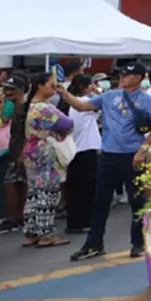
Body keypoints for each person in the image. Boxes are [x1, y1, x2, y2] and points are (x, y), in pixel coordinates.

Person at [60, 62, 151, 261]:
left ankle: (138, 242)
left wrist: (142, 150)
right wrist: (64, 94)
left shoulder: (146, 100)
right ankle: (94, 244)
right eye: (122, 74)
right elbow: (82, 106)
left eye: (128, 74)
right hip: (108, 155)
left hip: (132, 155)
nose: (122, 77)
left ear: (139, 78)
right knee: (100, 201)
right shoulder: (108, 96)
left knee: (136, 201)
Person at [21, 73, 75, 248]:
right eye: (51, 85)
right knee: (48, 192)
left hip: (32, 151)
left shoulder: (32, 106)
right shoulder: (44, 108)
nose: (54, 88)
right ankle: (46, 234)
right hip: (45, 151)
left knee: (34, 192)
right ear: (39, 86)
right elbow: (68, 124)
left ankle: (32, 232)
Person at [63, 75, 100, 236]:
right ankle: (85, 221)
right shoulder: (85, 103)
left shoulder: (72, 106)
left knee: (75, 189)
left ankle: (74, 222)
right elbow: (101, 102)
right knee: (88, 189)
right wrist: (96, 91)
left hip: (75, 150)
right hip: (87, 149)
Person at [0, 75, 27, 234]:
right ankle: (18, 217)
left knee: (13, 184)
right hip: (14, 150)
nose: (7, 92)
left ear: (21, 90)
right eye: (6, 89)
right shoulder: (14, 105)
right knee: (18, 184)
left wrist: (22, 152)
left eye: (11, 89)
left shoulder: (22, 107)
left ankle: (13, 218)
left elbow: (27, 133)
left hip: (20, 151)